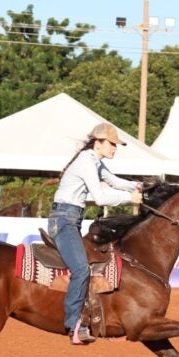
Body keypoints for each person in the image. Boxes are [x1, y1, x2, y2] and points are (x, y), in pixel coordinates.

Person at [49, 122, 143, 345]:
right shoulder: (86, 161)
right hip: (64, 220)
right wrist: (129, 199)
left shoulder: (93, 161)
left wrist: (140, 186)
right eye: (112, 144)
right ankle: (73, 325)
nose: (115, 148)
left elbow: (114, 181)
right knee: (81, 269)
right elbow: (100, 197)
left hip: (69, 218)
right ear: (98, 142)